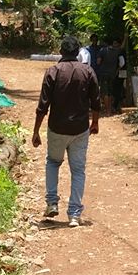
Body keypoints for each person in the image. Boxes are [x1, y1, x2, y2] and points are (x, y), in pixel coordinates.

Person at [33, 35, 101, 226]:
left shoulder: (53, 71)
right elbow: (96, 101)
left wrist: (36, 131)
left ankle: (52, 203)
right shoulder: (87, 71)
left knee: (53, 162)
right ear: (78, 52)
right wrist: (94, 123)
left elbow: (42, 106)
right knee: (78, 170)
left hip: (57, 127)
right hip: (80, 129)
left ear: (61, 52)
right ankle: (74, 214)